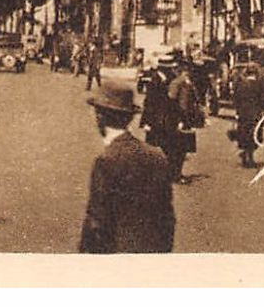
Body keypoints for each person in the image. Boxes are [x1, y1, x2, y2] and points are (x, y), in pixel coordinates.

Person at [79, 78, 176, 253]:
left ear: (99, 117)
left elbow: (97, 224)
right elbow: (168, 219)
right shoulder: (157, 155)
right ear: (129, 118)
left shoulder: (106, 161)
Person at [164, 54, 200, 183]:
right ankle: (175, 174)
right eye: (186, 68)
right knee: (178, 149)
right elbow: (173, 102)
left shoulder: (187, 82)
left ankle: (177, 173)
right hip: (180, 119)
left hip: (187, 119)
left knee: (183, 149)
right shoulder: (177, 83)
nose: (188, 71)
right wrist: (178, 119)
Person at [231, 63, 264, 168]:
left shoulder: (241, 84)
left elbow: (236, 99)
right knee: (255, 136)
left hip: (243, 113)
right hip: (255, 114)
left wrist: (237, 112)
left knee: (244, 135)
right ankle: (250, 157)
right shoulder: (259, 85)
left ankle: (246, 155)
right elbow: (263, 100)